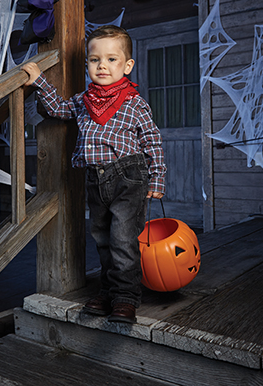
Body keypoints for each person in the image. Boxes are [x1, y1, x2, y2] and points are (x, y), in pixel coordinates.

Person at [21, 25, 166, 324]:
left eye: (112, 59)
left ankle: (126, 298)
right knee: (101, 237)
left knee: (123, 239)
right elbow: (59, 110)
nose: (102, 66)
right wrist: (39, 82)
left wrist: (157, 178)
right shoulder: (84, 100)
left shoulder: (134, 103)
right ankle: (107, 290)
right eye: (94, 59)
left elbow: (153, 140)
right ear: (87, 63)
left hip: (129, 176)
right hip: (95, 178)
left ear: (127, 66)